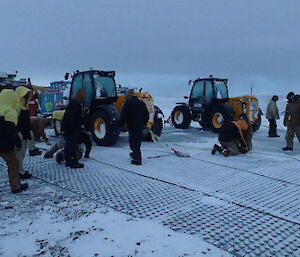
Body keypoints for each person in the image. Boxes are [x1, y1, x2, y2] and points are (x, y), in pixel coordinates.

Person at [0, 89, 28, 193]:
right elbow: (10, 130)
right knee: (13, 163)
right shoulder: (10, 111)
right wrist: (17, 142)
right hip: (5, 144)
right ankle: (15, 186)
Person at [15, 86, 42, 180]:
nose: (29, 96)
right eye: (27, 94)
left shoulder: (24, 105)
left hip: (24, 133)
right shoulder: (17, 106)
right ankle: (19, 172)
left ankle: (20, 170)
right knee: (19, 154)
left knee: (21, 154)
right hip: (20, 134)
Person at [120, 89, 149, 165]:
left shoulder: (127, 104)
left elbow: (123, 116)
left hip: (132, 125)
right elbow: (146, 115)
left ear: (129, 96)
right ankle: (134, 154)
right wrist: (144, 124)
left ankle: (137, 159)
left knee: (133, 142)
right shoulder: (141, 103)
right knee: (137, 141)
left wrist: (120, 125)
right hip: (139, 125)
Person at [61, 88, 85, 168]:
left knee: (69, 145)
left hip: (68, 128)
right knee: (72, 145)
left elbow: (66, 117)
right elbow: (73, 118)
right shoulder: (76, 105)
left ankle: (68, 161)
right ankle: (73, 161)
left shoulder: (72, 103)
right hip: (72, 129)